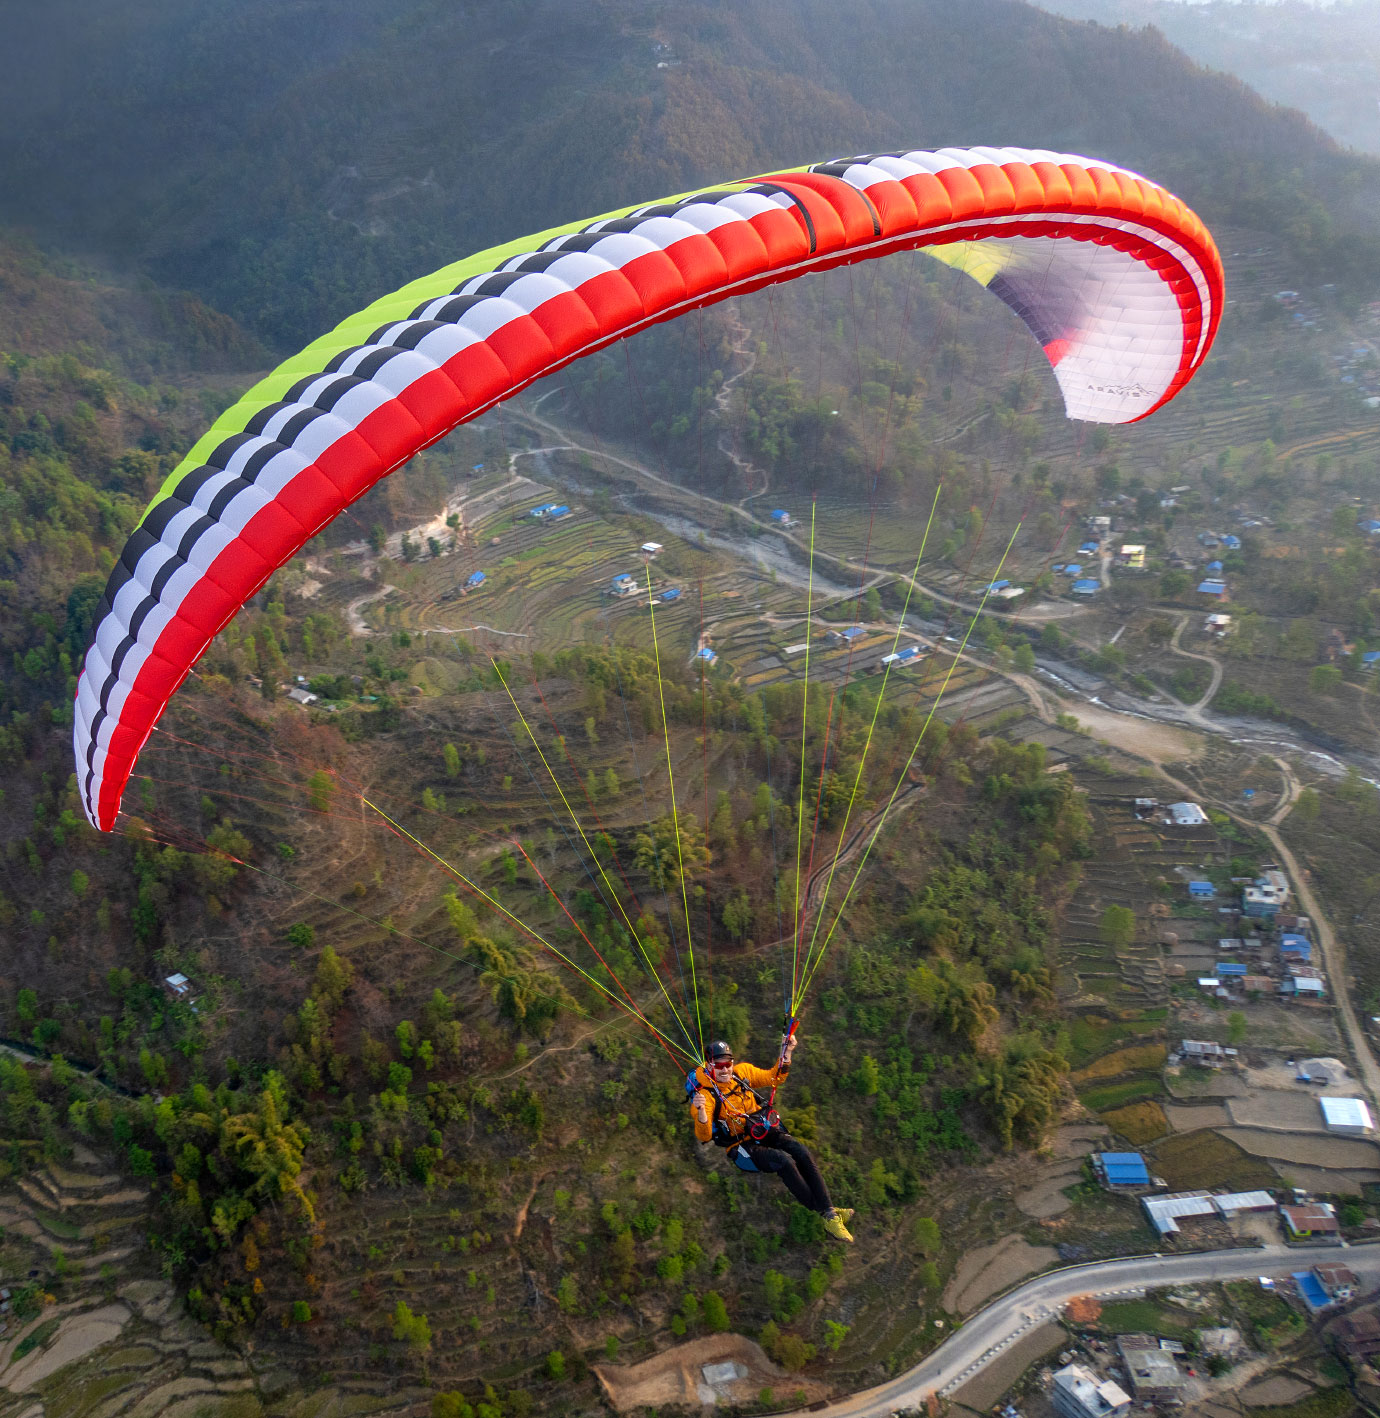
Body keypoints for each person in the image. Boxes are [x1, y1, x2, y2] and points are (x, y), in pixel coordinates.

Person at [688, 1034, 853, 1242]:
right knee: (782, 1161)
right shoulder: (706, 1096)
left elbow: (774, 1078)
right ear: (709, 1066)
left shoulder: (742, 1073)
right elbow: (704, 1135)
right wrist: (702, 1113)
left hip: (761, 1129)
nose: (725, 1070)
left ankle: (829, 1210)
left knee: (800, 1151)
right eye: (719, 1066)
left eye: (728, 1064)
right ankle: (828, 1215)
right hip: (741, 1147)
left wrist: (787, 1052)